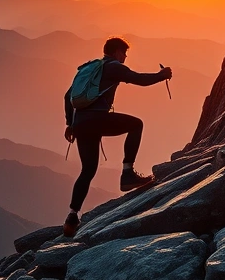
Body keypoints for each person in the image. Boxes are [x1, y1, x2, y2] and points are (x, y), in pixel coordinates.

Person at [62, 37, 172, 237]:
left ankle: (71, 217)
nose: (126, 57)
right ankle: (127, 174)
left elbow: (67, 96)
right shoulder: (112, 67)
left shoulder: (89, 69)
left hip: (81, 124)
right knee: (136, 125)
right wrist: (162, 75)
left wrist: (70, 124)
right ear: (115, 52)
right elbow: (140, 79)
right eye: (124, 53)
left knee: (87, 170)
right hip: (97, 119)